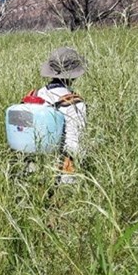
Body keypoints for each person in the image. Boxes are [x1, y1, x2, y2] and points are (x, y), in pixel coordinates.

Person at [24, 46, 87, 183]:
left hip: (33, 165)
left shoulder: (35, 95)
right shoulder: (74, 103)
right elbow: (74, 146)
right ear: (74, 75)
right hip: (63, 171)